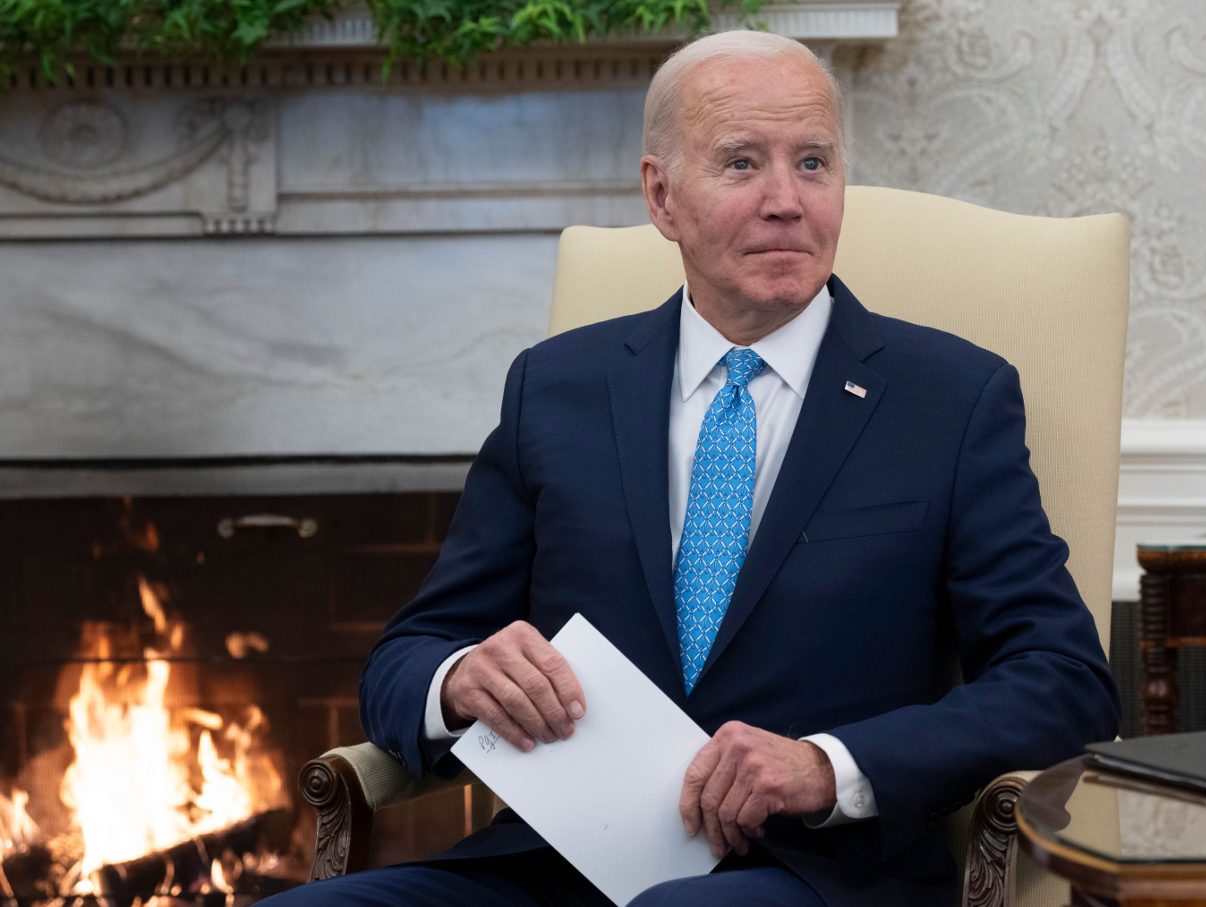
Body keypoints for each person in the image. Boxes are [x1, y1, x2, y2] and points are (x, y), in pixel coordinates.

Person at [268, 29, 1119, 907]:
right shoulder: (556, 388)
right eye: (743, 163)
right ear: (662, 196)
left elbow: (1064, 680)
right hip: (546, 869)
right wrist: (458, 682)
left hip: (815, 875)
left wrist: (828, 766)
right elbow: (405, 657)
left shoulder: (950, 398)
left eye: (815, 163)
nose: (787, 200)